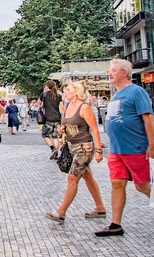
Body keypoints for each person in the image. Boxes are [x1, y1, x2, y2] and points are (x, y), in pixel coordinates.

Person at [95, 59, 154, 236]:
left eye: (113, 70)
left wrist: (152, 146)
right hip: (117, 149)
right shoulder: (116, 94)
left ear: (124, 73)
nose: (110, 73)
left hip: (135, 147)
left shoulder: (136, 92)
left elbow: (148, 119)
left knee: (142, 185)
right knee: (117, 184)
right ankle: (115, 224)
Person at [45, 82, 106, 224]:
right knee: (88, 178)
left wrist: (99, 151)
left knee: (72, 178)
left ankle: (61, 212)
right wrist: (62, 130)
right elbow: (67, 126)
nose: (65, 92)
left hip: (84, 148)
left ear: (77, 92)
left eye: (68, 90)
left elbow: (95, 129)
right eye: (65, 90)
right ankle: (100, 208)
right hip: (72, 147)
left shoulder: (84, 107)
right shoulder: (67, 106)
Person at [41, 81, 63, 160]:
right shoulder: (58, 96)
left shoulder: (44, 95)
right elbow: (62, 107)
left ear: (47, 86)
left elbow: (38, 104)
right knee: (55, 136)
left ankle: (53, 149)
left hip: (48, 119)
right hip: (57, 118)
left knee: (45, 134)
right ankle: (56, 153)